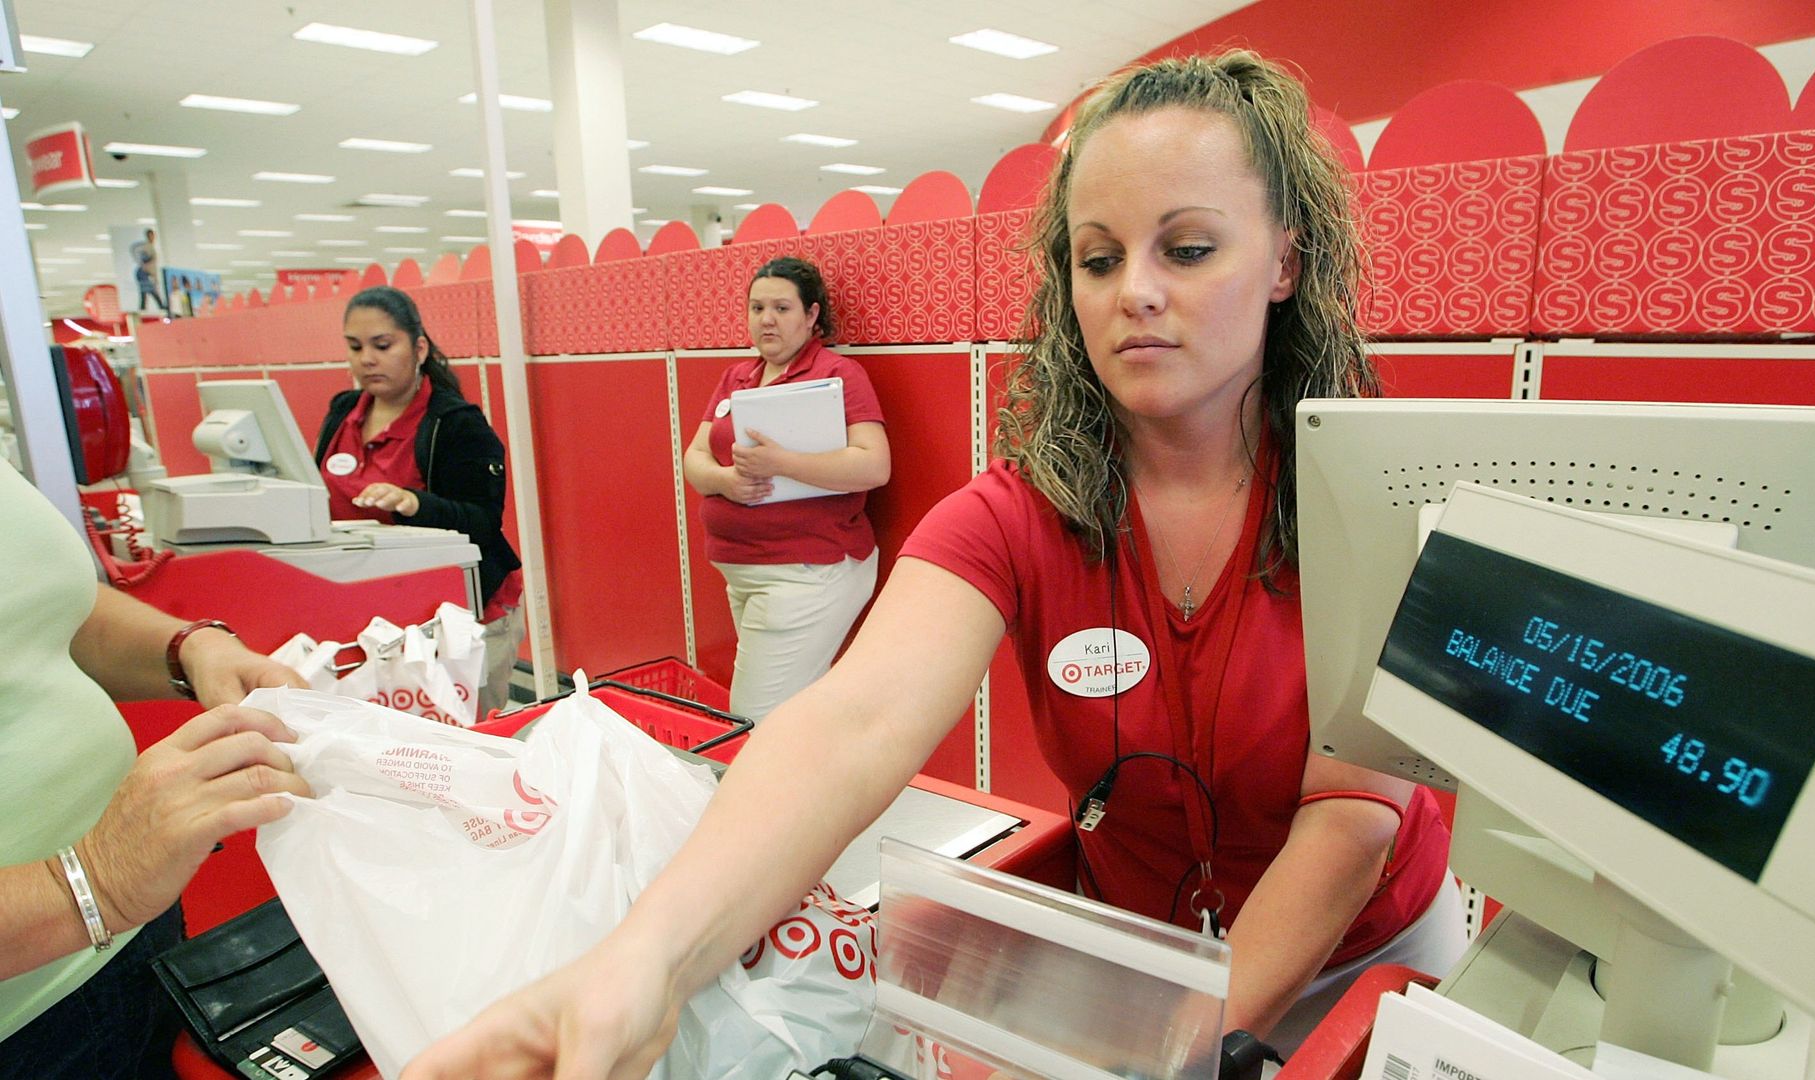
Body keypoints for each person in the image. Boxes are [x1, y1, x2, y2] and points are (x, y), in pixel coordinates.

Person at [405, 51, 1461, 1079]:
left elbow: (1353, 818)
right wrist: (645, 963)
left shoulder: (1365, 505)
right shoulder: (1016, 517)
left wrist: (1183, 1042)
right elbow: (848, 724)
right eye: (1097, 259)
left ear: (1284, 260)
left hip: (1361, 968)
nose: (1134, 292)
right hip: (1136, 967)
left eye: (1187, 250)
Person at [0, 458, 311, 1077]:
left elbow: (41, 611)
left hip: (130, 936)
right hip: (29, 1022)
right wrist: (96, 880)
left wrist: (192, 650)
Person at [681, 256, 890, 720]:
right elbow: (694, 459)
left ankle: (767, 793)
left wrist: (782, 463)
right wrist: (727, 483)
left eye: (781, 308)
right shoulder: (737, 378)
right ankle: (826, 791)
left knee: (755, 717)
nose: (766, 320)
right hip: (743, 571)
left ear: (812, 315)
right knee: (793, 711)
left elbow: (874, 465)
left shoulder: (837, 375)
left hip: (806, 573)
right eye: (757, 308)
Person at [314, 285, 525, 717]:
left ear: (420, 347)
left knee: (463, 739)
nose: (366, 359)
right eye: (354, 347)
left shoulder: (454, 424)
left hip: (458, 617)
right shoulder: (343, 411)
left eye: (383, 345)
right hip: (369, 610)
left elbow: (482, 522)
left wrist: (414, 503)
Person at [130, 229, 168, 316]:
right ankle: (161, 307)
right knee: (151, 291)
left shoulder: (151, 246)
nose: (153, 237)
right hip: (144, 273)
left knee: (145, 293)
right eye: (151, 235)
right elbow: (144, 259)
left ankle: (144, 309)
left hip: (146, 273)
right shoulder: (146, 247)